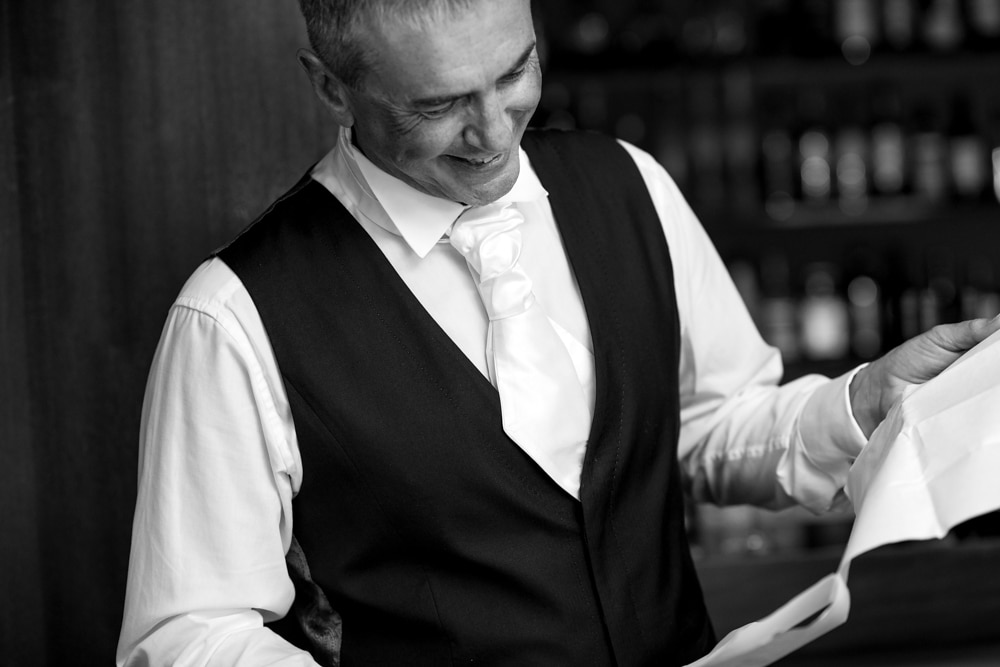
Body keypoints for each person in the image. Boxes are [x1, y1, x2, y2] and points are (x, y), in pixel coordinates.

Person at [116, 0, 1000, 665]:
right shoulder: (233, 315)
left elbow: (709, 423)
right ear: (330, 86)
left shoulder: (631, 185)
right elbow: (191, 629)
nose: (495, 134)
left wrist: (859, 401)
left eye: (515, 73)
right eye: (438, 106)